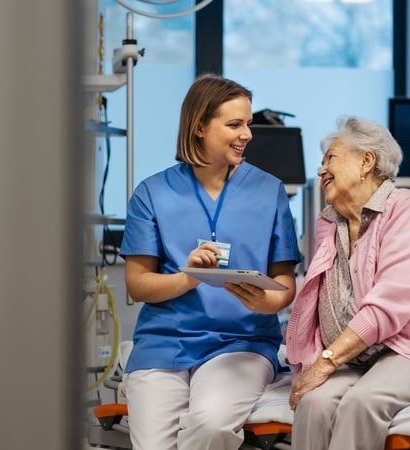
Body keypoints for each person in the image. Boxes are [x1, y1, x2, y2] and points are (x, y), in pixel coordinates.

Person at [119, 73, 301, 450]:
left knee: (210, 426)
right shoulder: (152, 193)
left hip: (241, 344)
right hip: (163, 344)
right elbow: (138, 285)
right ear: (199, 126)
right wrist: (188, 278)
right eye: (234, 124)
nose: (247, 134)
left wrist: (268, 301)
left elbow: (284, 281)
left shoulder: (269, 191)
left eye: (248, 124)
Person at [285, 115, 410, 450]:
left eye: (330, 158)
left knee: (362, 402)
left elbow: (390, 304)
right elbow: (315, 300)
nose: (321, 171)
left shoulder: (406, 208)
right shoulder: (327, 223)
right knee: (315, 404)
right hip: (354, 355)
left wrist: (326, 362)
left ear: (366, 161)